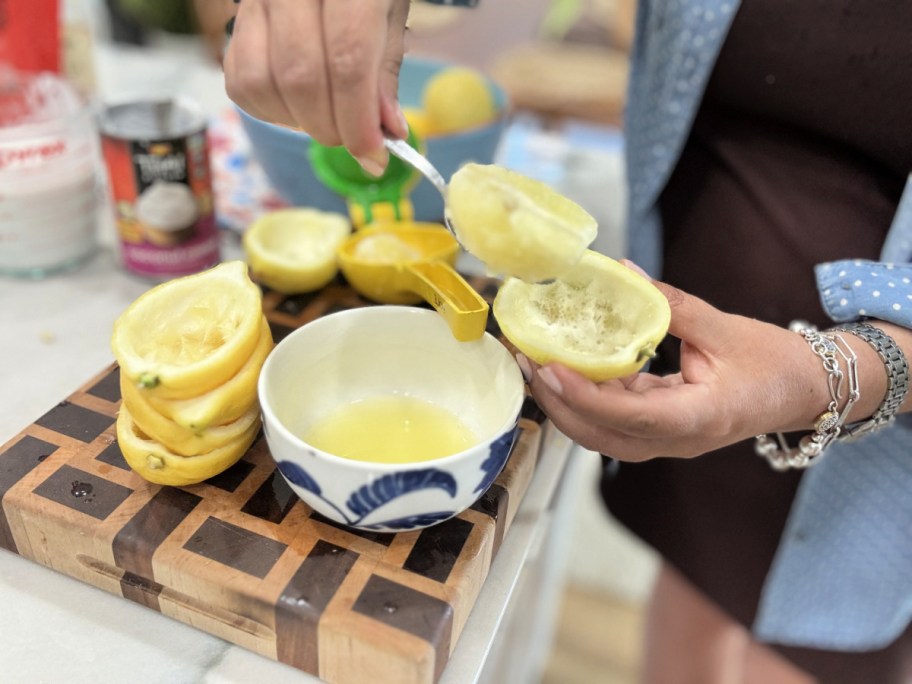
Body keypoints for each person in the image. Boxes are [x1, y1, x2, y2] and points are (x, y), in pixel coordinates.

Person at [222, 1, 912, 681]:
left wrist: (839, 372)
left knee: (805, 652)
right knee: (695, 592)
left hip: (881, 448)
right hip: (686, 358)